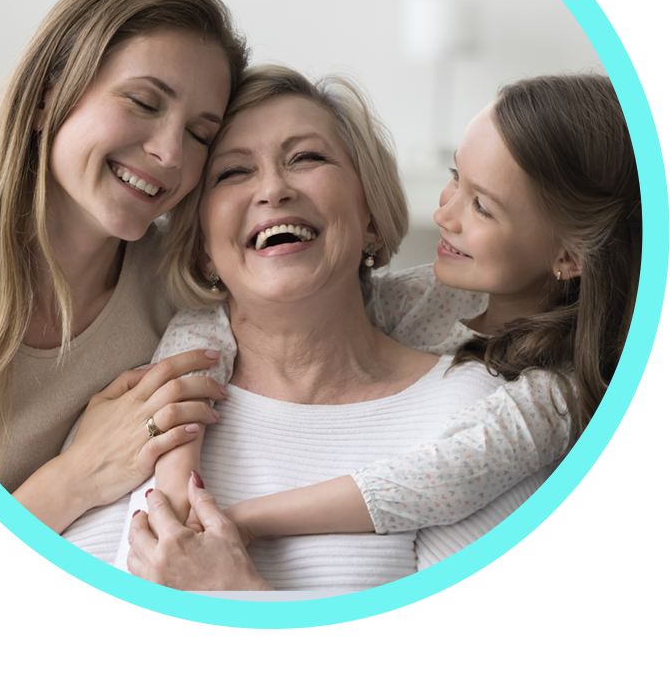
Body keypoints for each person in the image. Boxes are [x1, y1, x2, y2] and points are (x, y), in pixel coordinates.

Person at [63, 67, 588, 590]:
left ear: (371, 218)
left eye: (306, 158)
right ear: (202, 248)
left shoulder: (477, 415)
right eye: (233, 172)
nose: (272, 189)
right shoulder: (135, 410)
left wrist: (236, 598)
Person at [0, 0, 250, 533]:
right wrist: (75, 477)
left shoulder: (189, 302)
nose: (169, 153)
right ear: (47, 97)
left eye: (200, 135)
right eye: (143, 102)